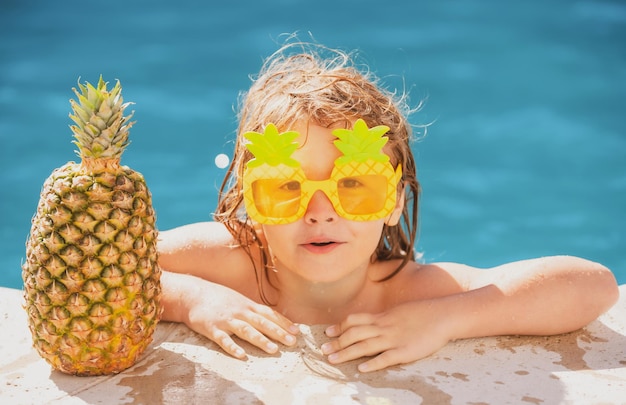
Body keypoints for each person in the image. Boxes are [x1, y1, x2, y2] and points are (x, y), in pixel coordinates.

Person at [158, 41, 619, 373]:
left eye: (354, 184)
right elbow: (88, 262)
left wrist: (445, 319)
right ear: (251, 201)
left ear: (395, 202)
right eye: (286, 187)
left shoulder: (408, 293)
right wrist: (189, 299)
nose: (320, 211)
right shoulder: (225, 258)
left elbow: (592, 285)